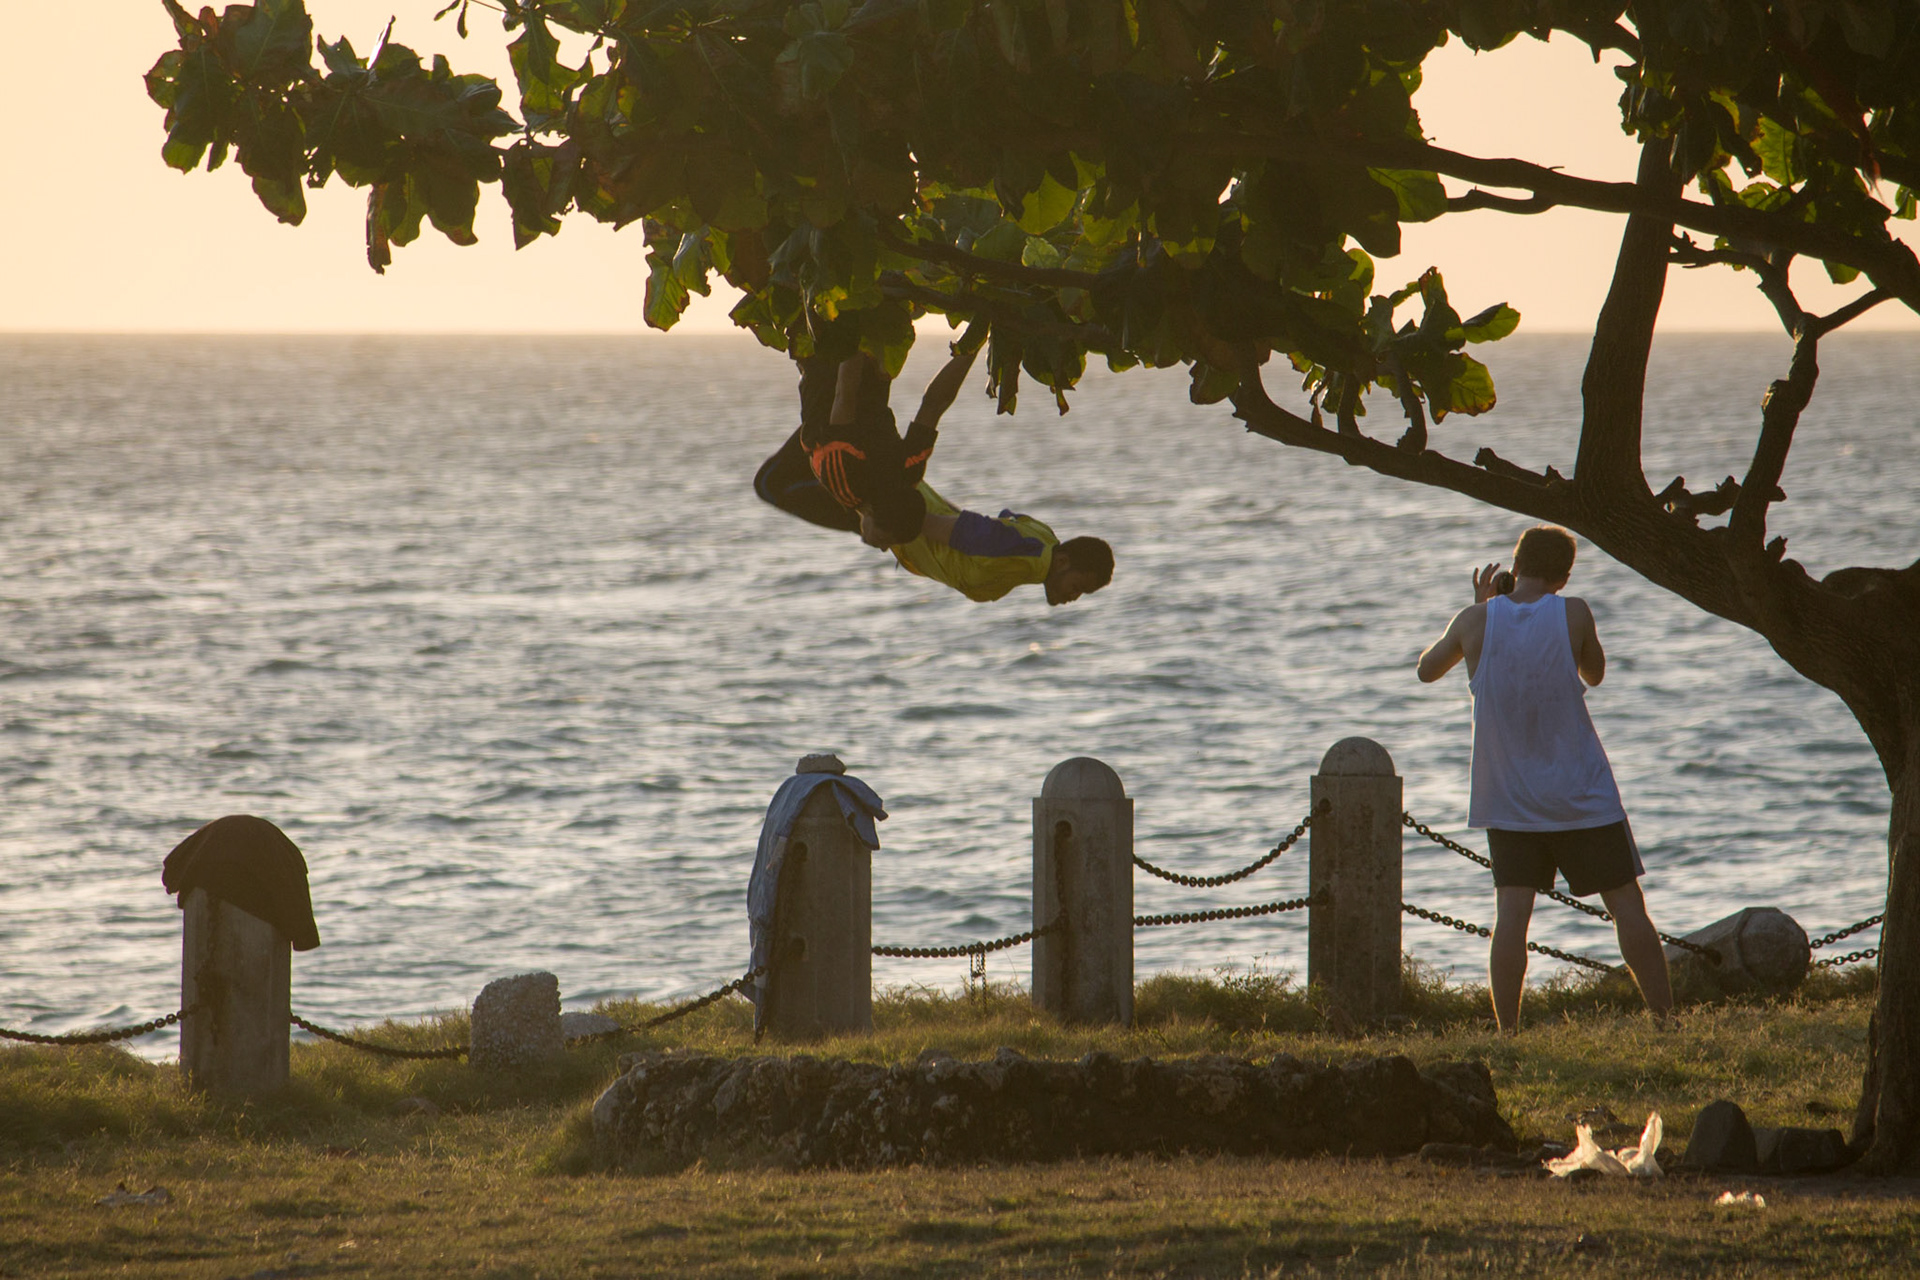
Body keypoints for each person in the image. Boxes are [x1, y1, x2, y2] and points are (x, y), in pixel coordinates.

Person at [1416, 525, 1673, 1031]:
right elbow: (1595, 673)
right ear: (1564, 575)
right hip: (1581, 793)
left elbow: (1427, 670)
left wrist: (1481, 607)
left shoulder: (1475, 620)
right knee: (1626, 906)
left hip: (1509, 799)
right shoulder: (1573, 612)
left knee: (1512, 917)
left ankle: (1508, 1032)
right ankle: (1665, 1021)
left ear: (1515, 565)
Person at [754, 342, 1115, 605]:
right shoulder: (1019, 556)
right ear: (1064, 562)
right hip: (883, 501)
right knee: (774, 482)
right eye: (1077, 587)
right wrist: (879, 522)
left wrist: (974, 341)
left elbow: (933, 407)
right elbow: (949, 525)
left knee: (857, 382)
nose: (1073, 598)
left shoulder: (1043, 538)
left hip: (891, 490)